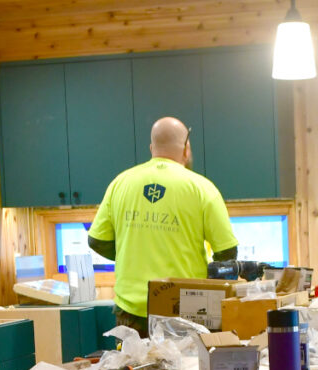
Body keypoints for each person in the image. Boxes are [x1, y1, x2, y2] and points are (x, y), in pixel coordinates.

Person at [88, 116, 238, 336]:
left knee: (135, 368)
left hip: (131, 309)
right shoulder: (202, 188)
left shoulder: (120, 183)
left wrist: (131, 255)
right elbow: (227, 252)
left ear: (151, 148)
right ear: (186, 149)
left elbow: (97, 241)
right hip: (185, 309)